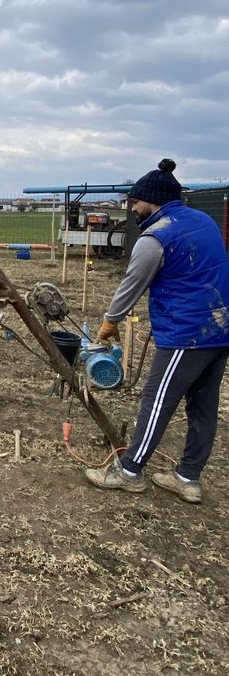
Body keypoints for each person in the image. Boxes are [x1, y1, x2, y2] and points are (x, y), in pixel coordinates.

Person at [86, 159, 229, 504]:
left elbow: (129, 287)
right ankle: (188, 478)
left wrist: (108, 324)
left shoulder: (155, 238)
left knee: (156, 401)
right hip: (220, 328)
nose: (133, 208)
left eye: (135, 202)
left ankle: (129, 472)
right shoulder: (203, 221)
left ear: (152, 200)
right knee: (203, 407)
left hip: (188, 333)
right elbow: (195, 275)